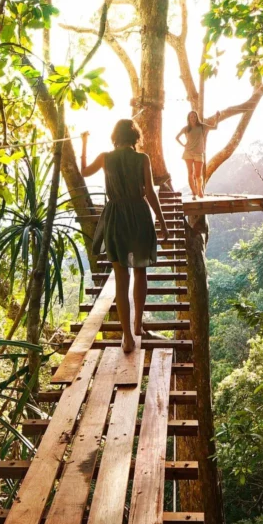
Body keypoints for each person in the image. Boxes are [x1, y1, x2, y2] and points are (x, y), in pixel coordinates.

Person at [81, 119, 168, 353]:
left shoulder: (105, 158)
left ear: (115, 136)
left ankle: (127, 337)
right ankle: (138, 325)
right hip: (139, 215)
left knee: (121, 277)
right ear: (135, 137)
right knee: (141, 270)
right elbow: (150, 192)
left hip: (116, 216)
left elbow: (84, 171)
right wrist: (162, 221)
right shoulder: (142, 159)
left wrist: (84, 143)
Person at [175, 109, 220, 198]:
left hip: (199, 153)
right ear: (188, 118)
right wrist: (183, 145)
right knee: (190, 173)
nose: (193, 118)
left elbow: (215, 127)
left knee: (198, 175)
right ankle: (193, 192)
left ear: (197, 117)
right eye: (191, 116)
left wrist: (217, 117)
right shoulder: (186, 128)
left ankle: (199, 190)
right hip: (188, 153)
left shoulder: (202, 126)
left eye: (195, 116)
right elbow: (177, 137)